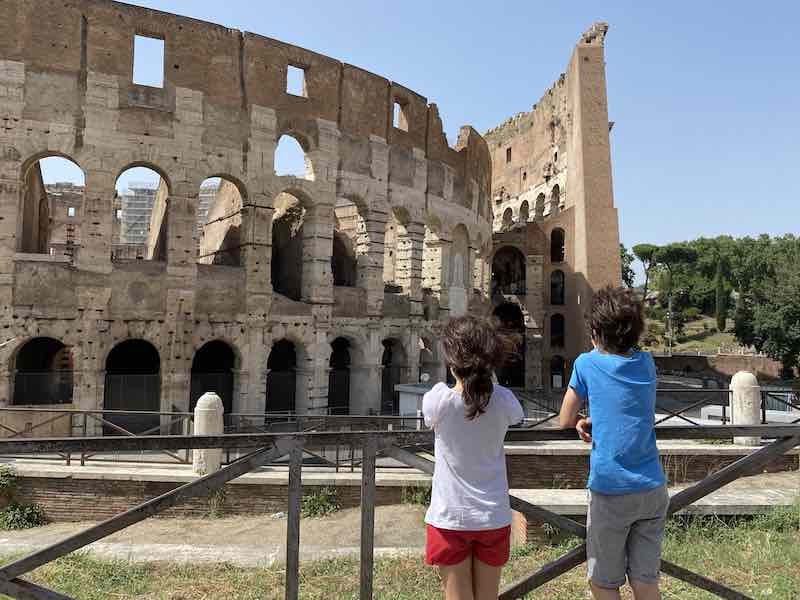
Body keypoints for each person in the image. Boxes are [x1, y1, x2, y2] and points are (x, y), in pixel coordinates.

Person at [560, 286, 668, 600]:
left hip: (611, 490)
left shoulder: (586, 363)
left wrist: (583, 419)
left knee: (604, 583)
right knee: (645, 581)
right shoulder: (647, 363)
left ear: (595, 332)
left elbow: (565, 418)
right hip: (652, 487)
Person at [423, 315, 525, 600]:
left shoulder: (438, 400)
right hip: (493, 515)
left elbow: (433, 414)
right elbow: (517, 416)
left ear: (451, 362)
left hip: (450, 518)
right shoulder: (504, 400)